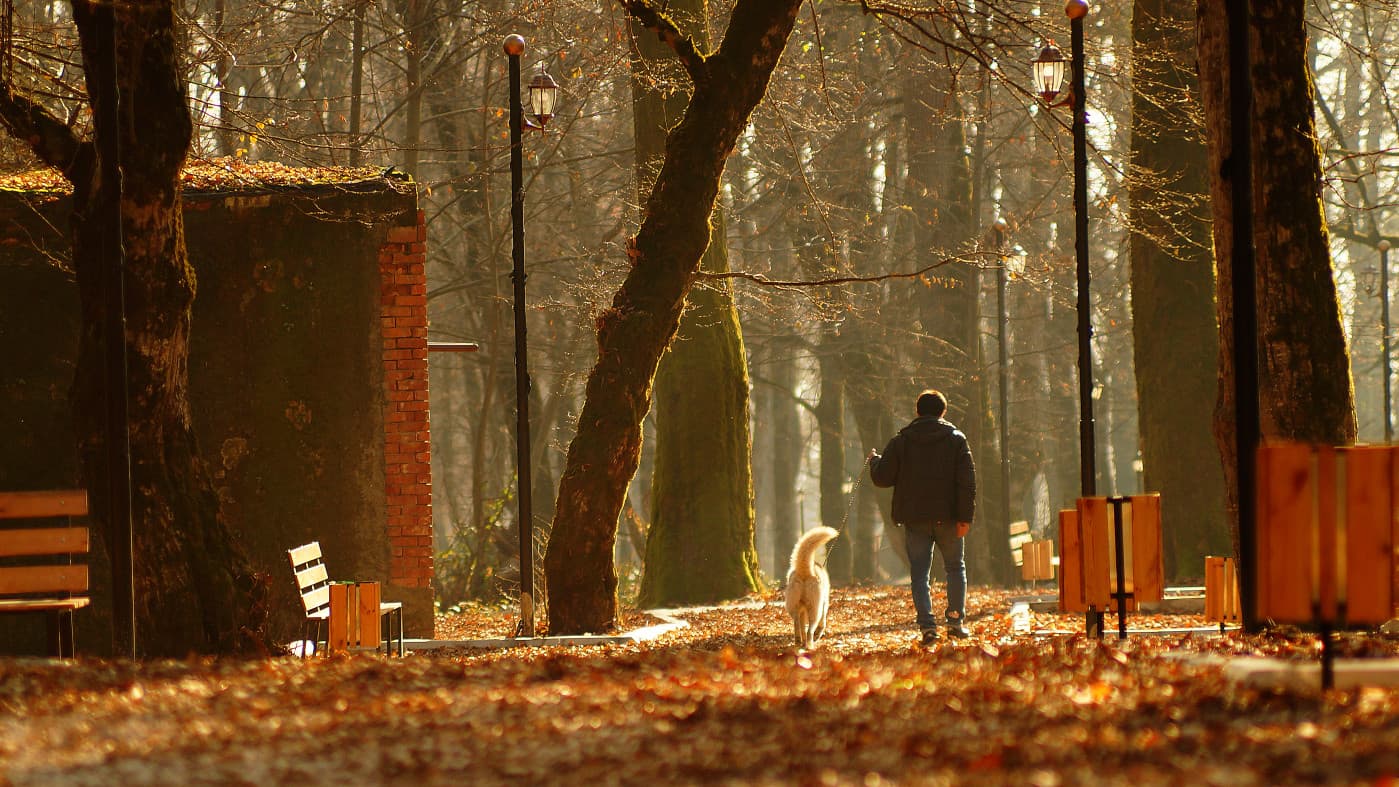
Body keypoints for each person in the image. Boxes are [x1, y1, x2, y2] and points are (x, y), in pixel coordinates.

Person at [868, 389, 976, 645]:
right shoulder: (956, 440)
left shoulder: (902, 441)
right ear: (943, 411)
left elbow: (882, 477)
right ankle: (955, 622)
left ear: (917, 411)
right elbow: (967, 483)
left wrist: (874, 461)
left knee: (919, 574)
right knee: (955, 568)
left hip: (915, 519)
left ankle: (928, 627)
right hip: (949, 517)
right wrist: (965, 518)